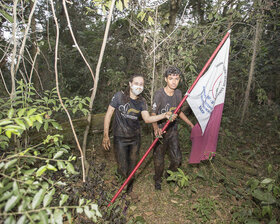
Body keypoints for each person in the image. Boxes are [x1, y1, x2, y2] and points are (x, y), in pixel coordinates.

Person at [102, 73, 177, 193]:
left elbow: (147, 119)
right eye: (136, 83)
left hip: (135, 138)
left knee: (133, 165)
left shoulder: (142, 102)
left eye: (141, 84)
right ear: (130, 84)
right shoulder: (119, 96)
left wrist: (164, 115)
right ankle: (120, 175)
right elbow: (109, 114)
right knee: (122, 167)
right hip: (120, 138)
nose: (139, 86)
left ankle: (129, 189)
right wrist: (105, 134)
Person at [151, 66, 194, 190]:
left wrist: (190, 124)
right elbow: (153, 113)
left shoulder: (179, 93)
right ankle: (157, 180)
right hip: (160, 130)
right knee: (159, 161)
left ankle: (168, 174)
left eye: (176, 78)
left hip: (173, 131)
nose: (173, 81)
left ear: (179, 79)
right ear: (166, 79)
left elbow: (178, 111)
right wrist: (155, 129)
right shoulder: (159, 94)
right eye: (171, 78)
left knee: (177, 159)